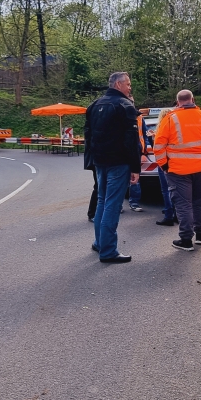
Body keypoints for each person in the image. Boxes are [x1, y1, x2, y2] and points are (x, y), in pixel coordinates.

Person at [84, 72, 142, 263]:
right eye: (128, 84)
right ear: (118, 84)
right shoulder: (125, 106)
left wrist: (91, 161)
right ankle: (108, 250)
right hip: (119, 163)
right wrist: (135, 167)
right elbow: (131, 140)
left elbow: (88, 136)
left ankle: (100, 242)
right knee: (112, 204)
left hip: (100, 162)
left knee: (102, 201)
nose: (130, 88)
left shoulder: (94, 105)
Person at [153, 90, 201, 251]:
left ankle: (186, 239)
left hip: (178, 170)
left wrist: (164, 165)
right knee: (200, 201)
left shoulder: (170, 119)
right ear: (193, 100)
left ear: (177, 102)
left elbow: (158, 145)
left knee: (183, 204)